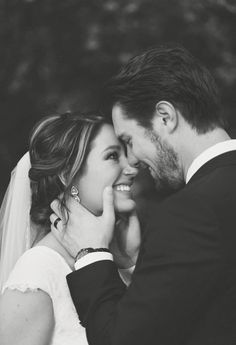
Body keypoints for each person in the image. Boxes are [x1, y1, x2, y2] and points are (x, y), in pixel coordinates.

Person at [50, 45, 236, 345]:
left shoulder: (190, 212)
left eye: (129, 140)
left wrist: (93, 254)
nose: (132, 160)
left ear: (165, 116)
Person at [0, 111, 140, 345]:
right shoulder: (38, 271)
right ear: (68, 176)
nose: (132, 169)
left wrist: (131, 262)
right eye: (113, 156)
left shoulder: (114, 257)